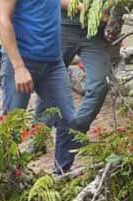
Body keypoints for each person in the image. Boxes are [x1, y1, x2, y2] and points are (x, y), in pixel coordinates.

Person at [0, 0, 81, 173]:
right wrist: (19, 67)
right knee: (12, 127)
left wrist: (85, 8)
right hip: (22, 60)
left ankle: (61, 176)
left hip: (53, 62)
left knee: (69, 121)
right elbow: (2, 20)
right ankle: (6, 180)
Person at [35, 0, 119, 137]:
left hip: (95, 34)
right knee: (49, 81)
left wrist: (113, 20)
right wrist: (87, 9)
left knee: (100, 82)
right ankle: (39, 135)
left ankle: (75, 132)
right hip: (63, 27)